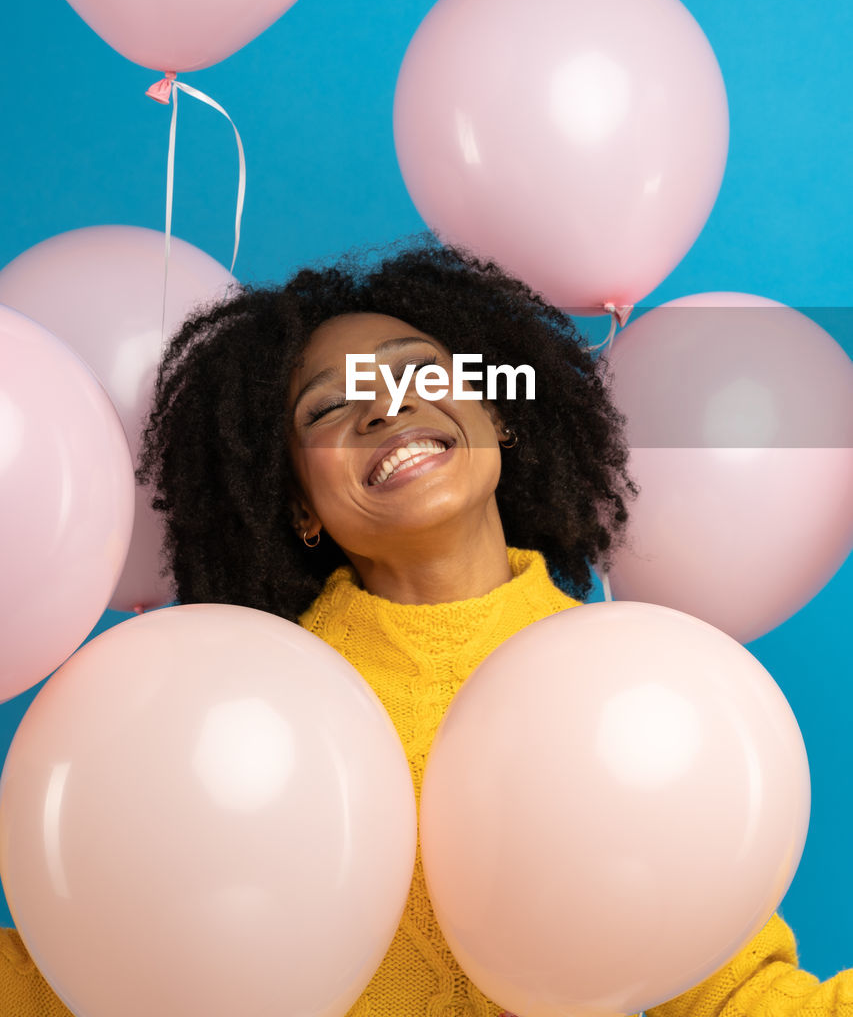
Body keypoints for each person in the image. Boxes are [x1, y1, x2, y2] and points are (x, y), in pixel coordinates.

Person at [1, 234, 850, 1017]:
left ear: (500, 415)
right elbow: (92, 962)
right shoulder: (233, 710)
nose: (381, 410)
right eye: (325, 411)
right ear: (296, 502)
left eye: (417, 373)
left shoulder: (633, 690)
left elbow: (728, 989)